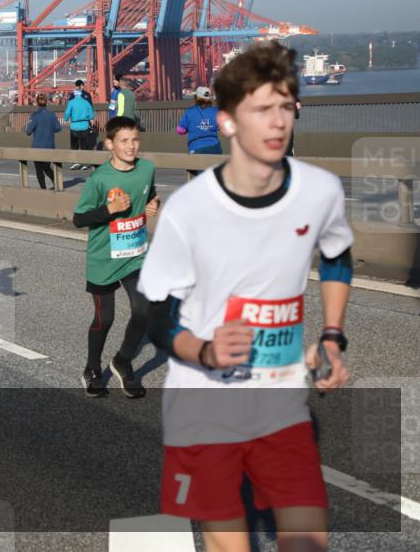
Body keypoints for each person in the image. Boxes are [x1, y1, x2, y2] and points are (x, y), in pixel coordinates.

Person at [138, 40, 353, 551]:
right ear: (229, 121)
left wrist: (332, 337)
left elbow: (338, 254)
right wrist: (206, 350)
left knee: (308, 543)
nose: (278, 122)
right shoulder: (189, 210)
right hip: (204, 408)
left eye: (286, 107)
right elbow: (156, 317)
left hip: (281, 405)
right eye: (262, 109)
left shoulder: (321, 191)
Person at [72, 116, 159, 398]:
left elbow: (150, 193)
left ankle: (123, 360)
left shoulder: (147, 169)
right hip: (104, 258)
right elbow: (78, 218)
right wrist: (110, 210)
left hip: (135, 255)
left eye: (135, 140)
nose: (131, 146)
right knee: (104, 318)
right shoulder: (99, 179)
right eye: (124, 141)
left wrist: (153, 204)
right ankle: (92, 368)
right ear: (110, 144)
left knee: (145, 310)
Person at [26, 93, 61, 190]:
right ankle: (57, 182)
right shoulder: (52, 115)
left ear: (37, 102)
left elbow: (28, 131)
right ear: (46, 102)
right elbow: (58, 128)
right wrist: (49, 129)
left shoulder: (35, 116)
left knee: (39, 169)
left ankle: (43, 189)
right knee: (46, 167)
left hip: (37, 147)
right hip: (50, 146)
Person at [177, 87, 222, 154]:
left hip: (196, 147)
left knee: (196, 164)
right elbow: (222, 128)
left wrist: (187, 129)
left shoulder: (190, 111)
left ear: (196, 97)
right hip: (214, 147)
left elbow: (180, 130)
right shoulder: (216, 111)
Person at [64, 79, 97, 170]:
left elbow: (67, 112)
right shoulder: (87, 100)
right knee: (84, 145)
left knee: (74, 145)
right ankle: (85, 163)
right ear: (82, 86)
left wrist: (66, 118)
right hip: (84, 125)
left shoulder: (71, 99)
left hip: (74, 126)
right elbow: (91, 112)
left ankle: (76, 162)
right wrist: (91, 121)